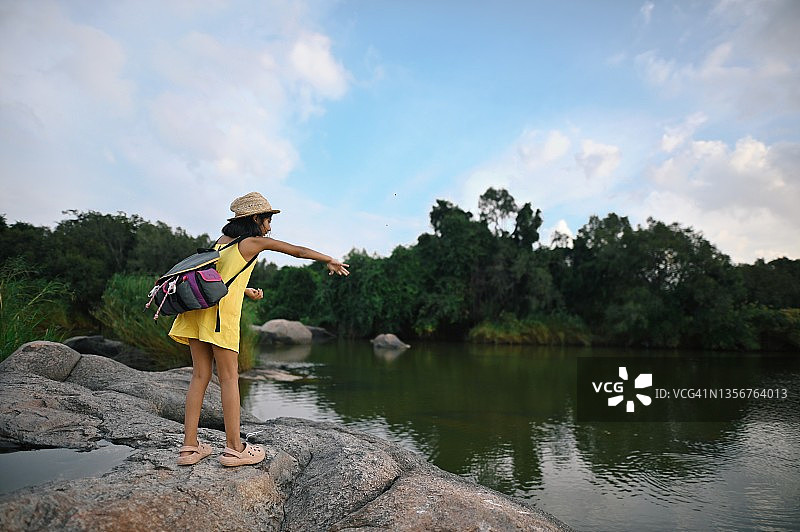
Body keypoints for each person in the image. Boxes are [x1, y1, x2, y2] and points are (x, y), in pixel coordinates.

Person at [170, 192, 349, 467]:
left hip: (195, 315)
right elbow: (296, 251)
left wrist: (246, 290)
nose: (270, 226)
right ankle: (234, 449)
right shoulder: (253, 242)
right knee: (229, 379)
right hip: (219, 320)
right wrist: (328, 259)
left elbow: (215, 281)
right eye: (268, 220)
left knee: (199, 377)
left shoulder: (221, 243)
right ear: (255, 219)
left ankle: (189, 448)